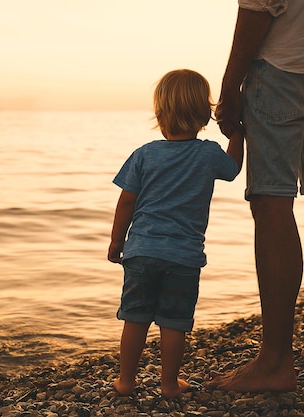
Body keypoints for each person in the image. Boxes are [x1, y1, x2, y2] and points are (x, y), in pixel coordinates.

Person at [208, 0, 304, 392]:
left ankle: (275, 361)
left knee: (272, 204)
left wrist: (230, 86)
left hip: (282, 68)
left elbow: (258, 9)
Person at [108, 69, 244, 398]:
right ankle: (168, 384)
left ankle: (126, 381)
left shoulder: (144, 154)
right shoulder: (209, 154)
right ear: (203, 115)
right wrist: (238, 135)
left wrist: (116, 242)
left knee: (135, 318)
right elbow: (233, 169)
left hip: (141, 252)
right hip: (183, 257)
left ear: (160, 113)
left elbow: (127, 201)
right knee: (173, 322)